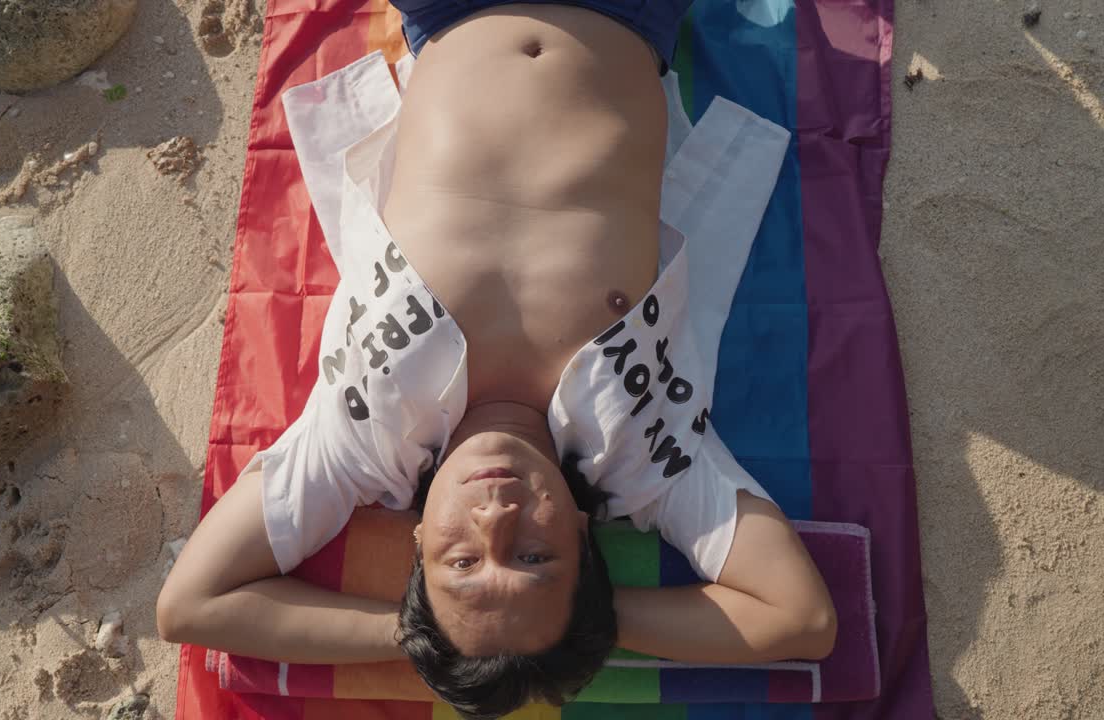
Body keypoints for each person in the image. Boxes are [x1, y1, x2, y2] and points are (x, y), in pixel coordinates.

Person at [157, 3, 836, 718]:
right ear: (581, 536)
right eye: (536, 559)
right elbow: (801, 619)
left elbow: (192, 605)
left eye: (462, 563)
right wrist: (585, 624)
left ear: (416, 545)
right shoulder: (646, 456)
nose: (497, 516)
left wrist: (420, 635)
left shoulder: (360, 445)